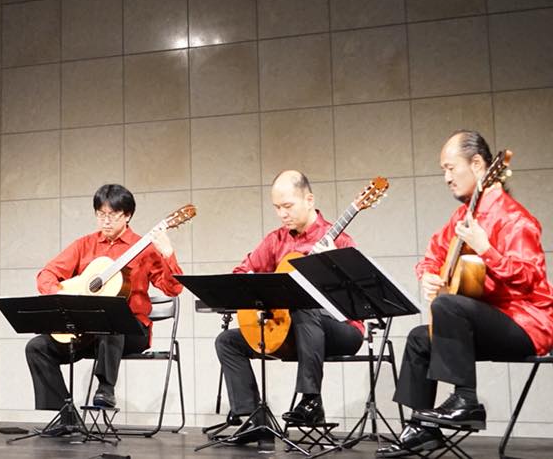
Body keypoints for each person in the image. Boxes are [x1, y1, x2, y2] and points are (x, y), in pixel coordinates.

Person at [377, 130, 553, 457]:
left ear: (478, 165)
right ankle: (421, 428)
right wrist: (429, 275)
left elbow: (530, 278)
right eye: (443, 170)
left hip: (527, 324)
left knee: (449, 305)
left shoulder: (515, 219)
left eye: (450, 168)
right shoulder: (462, 217)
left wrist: (487, 249)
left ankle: (466, 400)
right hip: (481, 321)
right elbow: (433, 254)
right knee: (419, 338)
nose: (446, 178)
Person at [214, 170, 364, 443]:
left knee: (303, 307)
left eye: (288, 206)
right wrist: (258, 290)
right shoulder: (276, 240)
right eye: (277, 208)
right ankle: (254, 419)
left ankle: (311, 400)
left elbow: (357, 296)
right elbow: (241, 274)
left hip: (341, 330)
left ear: (309, 200)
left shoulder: (339, 240)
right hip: (293, 331)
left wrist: (332, 267)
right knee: (227, 341)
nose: (282, 214)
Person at [25, 183, 183, 430]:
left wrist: (168, 253)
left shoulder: (144, 248)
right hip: (87, 330)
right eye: (101, 214)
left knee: (111, 318)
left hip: (131, 331)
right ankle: (67, 416)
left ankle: (106, 389)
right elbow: (46, 274)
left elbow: (173, 289)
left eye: (113, 214)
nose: (106, 221)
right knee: (37, 347)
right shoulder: (84, 245)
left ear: (127, 215)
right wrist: (62, 295)